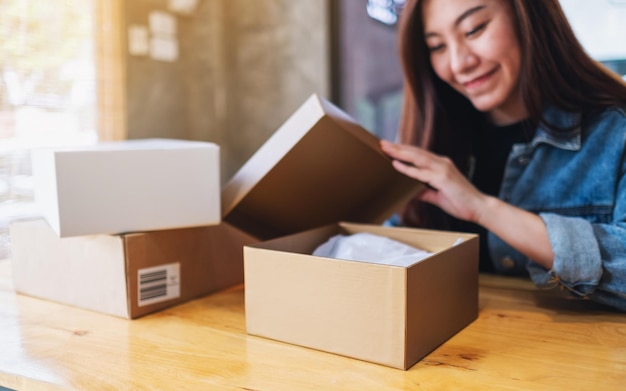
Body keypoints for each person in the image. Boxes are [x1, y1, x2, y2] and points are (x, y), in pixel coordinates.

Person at [379, 0, 626, 311]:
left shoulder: (616, 132)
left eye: (474, 29)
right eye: (437, 46)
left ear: (528, 16)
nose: (458, 64)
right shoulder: (431, 140)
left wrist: (483, 208)